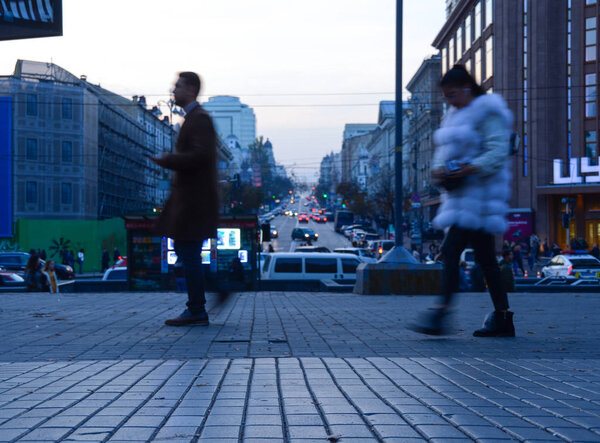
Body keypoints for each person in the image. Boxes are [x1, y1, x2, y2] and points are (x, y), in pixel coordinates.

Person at [409, 64, 515, 337]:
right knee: (487, 260)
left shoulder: (487, 113)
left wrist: (468, 168)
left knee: (452, 251)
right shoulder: (453, 117)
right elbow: (442, 155)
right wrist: (439, 170)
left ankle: (441, 313)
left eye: (452, 95)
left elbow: (498, 151)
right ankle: (503, 318)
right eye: (446, 96)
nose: (449, 101)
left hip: (479, 198)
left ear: (467, 90)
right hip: (461, 197)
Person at [152, 71, 219, 327]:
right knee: (186, 250)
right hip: (192, 200)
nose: (173, 91)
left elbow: (199, 156)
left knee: (187, 251)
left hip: (195, 201)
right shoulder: (193, 118)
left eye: (177, 86)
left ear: (190, 89)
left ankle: (197, 309)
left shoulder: (199, 119)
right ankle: (210, 295)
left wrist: (169, 159)